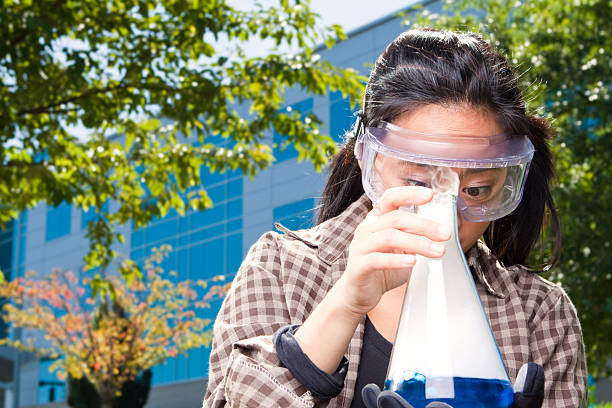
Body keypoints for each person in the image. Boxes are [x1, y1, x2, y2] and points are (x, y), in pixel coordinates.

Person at [202, 29, 587, 408]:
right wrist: (346, 302)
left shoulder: (540, 311)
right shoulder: (280, 269)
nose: (445, 215)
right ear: (371, 160)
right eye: (419, 181)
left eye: (475, 189)